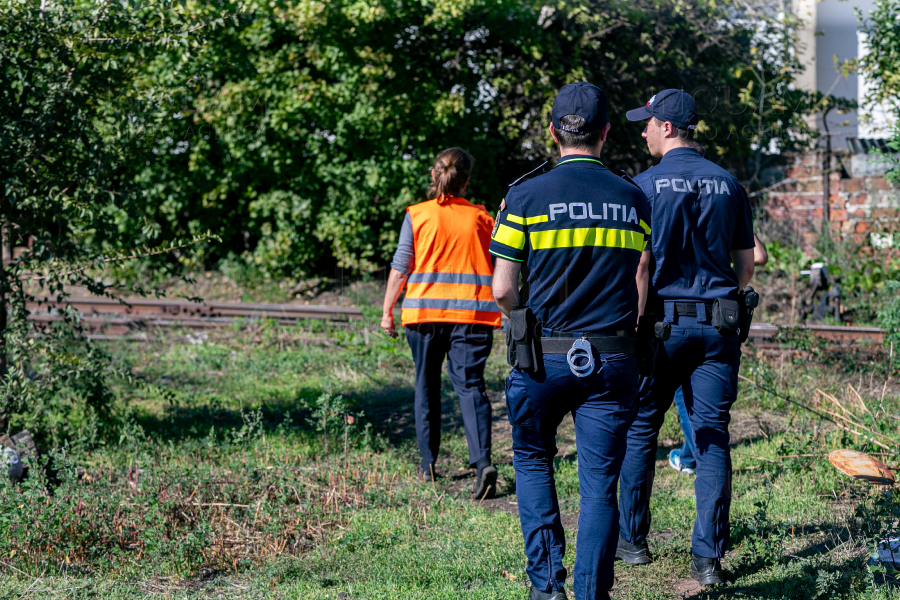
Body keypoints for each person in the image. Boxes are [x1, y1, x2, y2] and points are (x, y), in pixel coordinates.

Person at [491, 82, 652, 600]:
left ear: (552, 130)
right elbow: (641, 275)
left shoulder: (524, 195)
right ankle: (591, 593)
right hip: (613, 359)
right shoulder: (633, 197)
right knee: (600, 484)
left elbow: (503, 288)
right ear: (606, 132)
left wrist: (522, 319)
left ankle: (546, 588)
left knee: (534, 458)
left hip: (543, 358)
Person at [615, 90, 756, 586]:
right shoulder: (729, 184)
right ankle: (708, 559)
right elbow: (746, 265)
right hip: (718, 327)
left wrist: (632, 326)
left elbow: (640, 266)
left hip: (660, 328)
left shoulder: (643, 187)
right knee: (713, 436)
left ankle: (633, 543)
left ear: (668, 127)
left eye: (648, 124)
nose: (643, 131)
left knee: (639, 430)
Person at [381, 147, 501, 500]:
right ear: (466, 181)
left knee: (426, 385)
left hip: (424, 319)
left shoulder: (417, 215)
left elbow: (402, 265)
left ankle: (428, 463)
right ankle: (482, 464)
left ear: (435, 176)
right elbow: (500, 265)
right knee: (471, 387)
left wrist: (387, 309)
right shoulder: (482, 218)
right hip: (472, 318)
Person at [668, 233, 768, 475]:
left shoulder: (665, 200)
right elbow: (759, 256)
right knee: (710, 408)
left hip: (675, 312)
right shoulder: (726, 200)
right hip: (718, 316)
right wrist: (723, 289)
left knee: (681, 397)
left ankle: (693, 459)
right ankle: (692, 456)